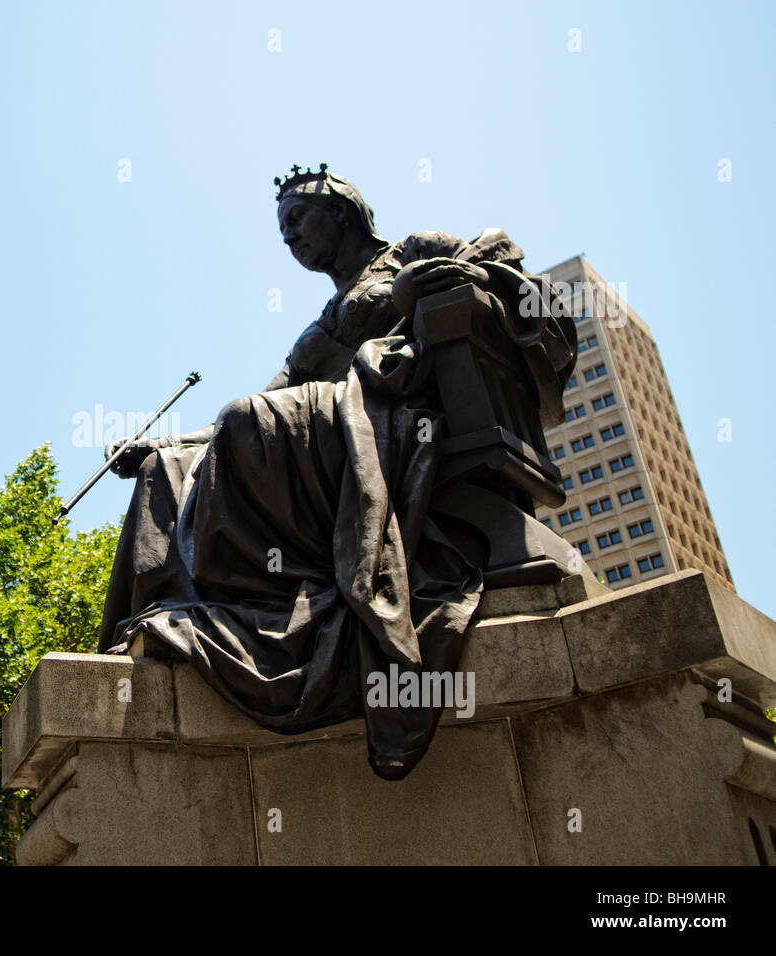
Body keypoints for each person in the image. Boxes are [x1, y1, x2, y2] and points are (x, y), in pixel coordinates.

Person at [96, 167, 575, 779]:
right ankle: (193, 609)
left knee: (247, 419)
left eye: (298, 218)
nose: (289, 236)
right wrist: (159, 442)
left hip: (400, 415)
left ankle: (256, 589)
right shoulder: (323, 324)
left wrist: (460, 277)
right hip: (330, 433)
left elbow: (507, 266)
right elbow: (254, 406)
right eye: (282, 228)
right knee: (168, 469)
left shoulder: (411, 249)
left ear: (343, 212)